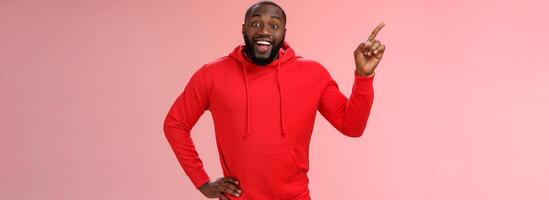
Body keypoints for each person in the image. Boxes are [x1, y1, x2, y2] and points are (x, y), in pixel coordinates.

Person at [163, 1, 386, 199]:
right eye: (256, 24)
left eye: (274, 25)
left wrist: (364, 77)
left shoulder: (313, 73)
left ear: (284, 32)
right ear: (243, 29)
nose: (265, 31)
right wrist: (201, 181)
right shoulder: (212, 74)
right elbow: (175, 124)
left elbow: (352, 127)